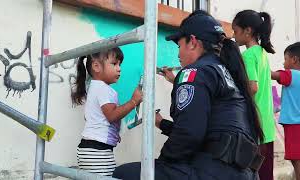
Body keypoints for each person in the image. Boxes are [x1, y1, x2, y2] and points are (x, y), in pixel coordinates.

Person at [113, 10, 264, 180]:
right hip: (242, 173)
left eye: (179, 46)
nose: (178, 54)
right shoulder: (228, 73)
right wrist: (162, 123)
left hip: (215, 172)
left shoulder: (194, 72)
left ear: (192, 42)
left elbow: (189, 134)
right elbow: (210, 133)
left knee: (121, 174)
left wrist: (161, 165)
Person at [71, 47, 142, 176]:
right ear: (96, 66)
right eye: (114, 64)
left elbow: (98, 117)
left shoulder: (95, 87)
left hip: (90, 148)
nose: (119, 68)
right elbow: (111, 115)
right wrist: (133, 101)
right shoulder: (104, 89)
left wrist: (113, 132)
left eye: (120, 64)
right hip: (97, 151)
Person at [232, 10, 276, 180]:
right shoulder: (262, 53)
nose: (234, 35)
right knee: (266, 174)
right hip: (267, 126)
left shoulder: (248, 55)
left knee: (253, 174)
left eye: (236, 31)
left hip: (255, 125)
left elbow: (253, 87)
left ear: (248, 31)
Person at [271, 42, 300, 180]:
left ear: (294, 59)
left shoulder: (292, 74)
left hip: (295, 125)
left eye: (285, 59)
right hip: (296, 124)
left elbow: (273, 75)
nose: (283, 63)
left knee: (297, 160)